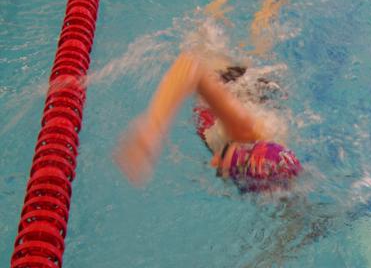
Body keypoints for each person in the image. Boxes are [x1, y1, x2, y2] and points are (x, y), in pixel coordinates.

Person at [115, 51, 301, 191]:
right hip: (227, 73)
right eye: (225, 156)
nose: (214, 163)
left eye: (225, 172)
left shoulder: (275, 172)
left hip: (254, 98)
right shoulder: (243, 130)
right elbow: (189, 66)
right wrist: (153, 126)